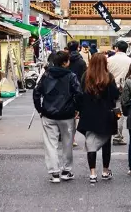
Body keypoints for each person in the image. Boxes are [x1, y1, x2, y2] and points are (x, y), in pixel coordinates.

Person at [33, 50, 81, 183]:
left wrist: (40, 109)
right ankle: (66, 171)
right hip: (67, 114)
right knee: (67, 143)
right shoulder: (71, 76)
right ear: (65, 63)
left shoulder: (46, 75)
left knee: (50, 144)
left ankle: (54, 173)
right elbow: (78, 93)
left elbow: (37, 92)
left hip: (48, 113)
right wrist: (77, 109)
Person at [76, 53, 120, 184]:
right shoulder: (109, 77)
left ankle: (92, 173)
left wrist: (79, 110)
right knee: (106, 143)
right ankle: (105, 171)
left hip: (89, 114)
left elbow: (80, 95)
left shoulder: (86, 76)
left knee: (91, 143)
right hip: (106, 114)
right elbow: (115, 95)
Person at [107, 40, 131, 145]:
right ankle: (117, 135)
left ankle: (108, 132)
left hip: (110, 88)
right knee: (119, 112)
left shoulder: (109, 60)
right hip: (124, 89)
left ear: (116, 48)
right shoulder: (130, 60)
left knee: (109, 110)